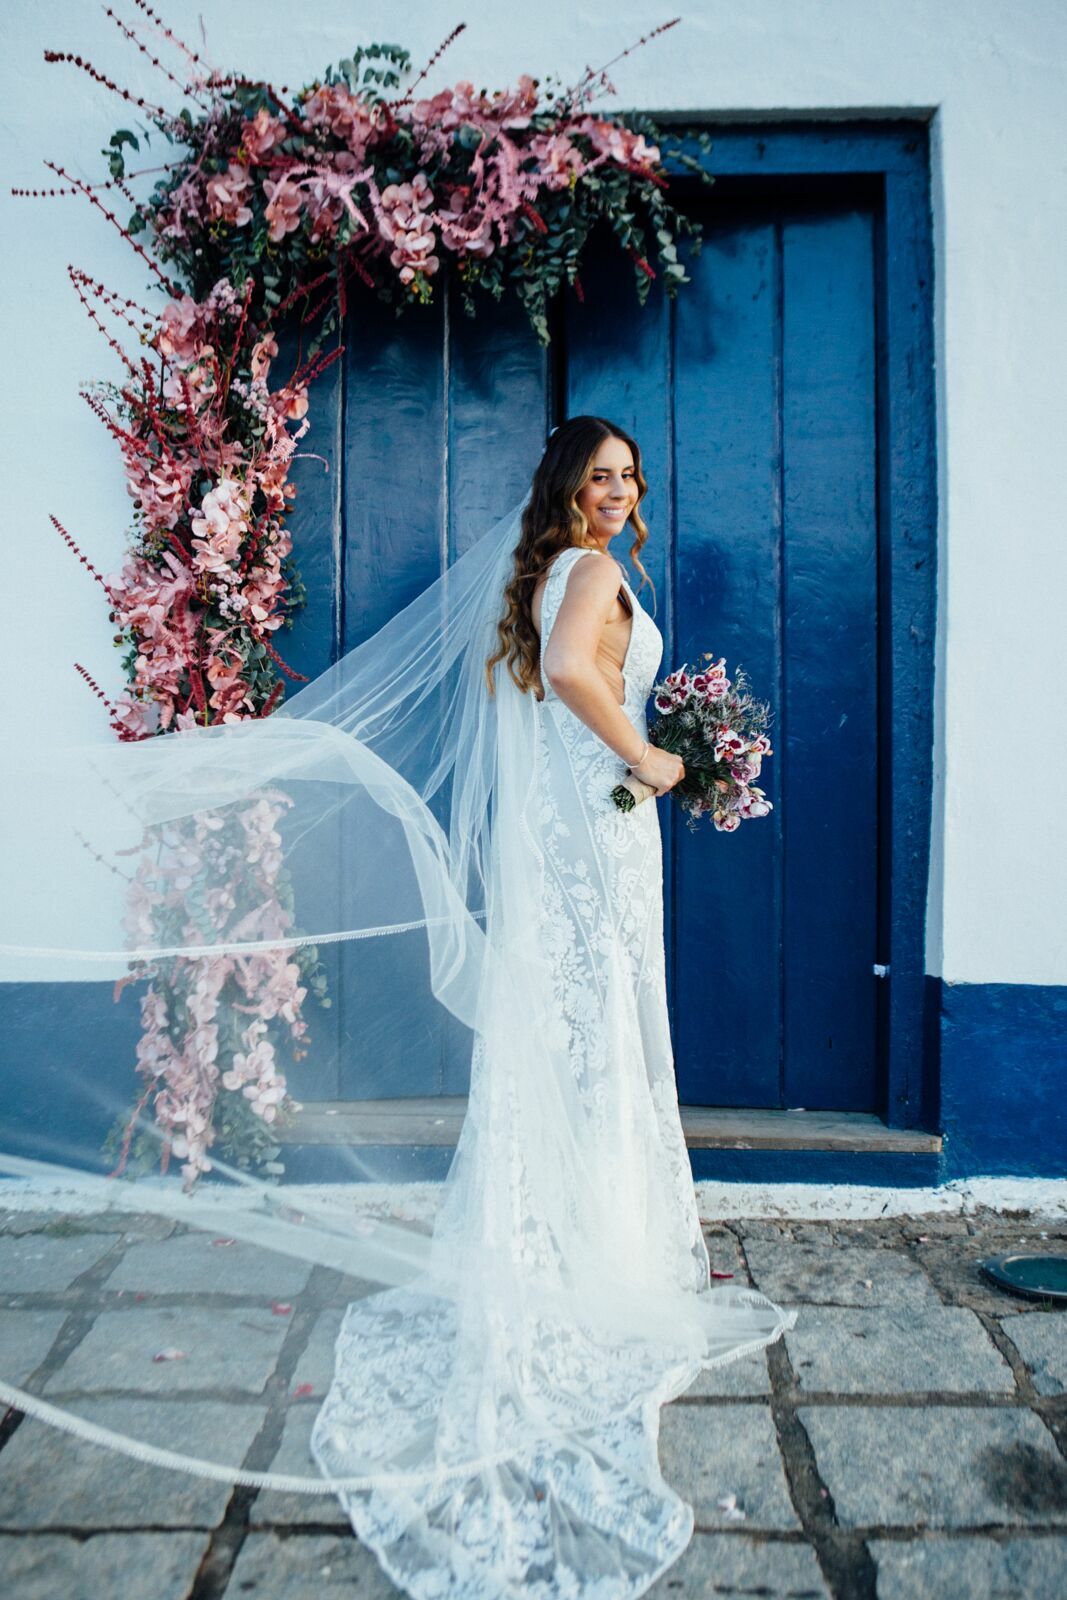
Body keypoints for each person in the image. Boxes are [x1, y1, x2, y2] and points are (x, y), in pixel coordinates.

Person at [0, 416, 794, 1600]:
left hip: (580, 843)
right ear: (566, 491)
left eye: (628, 476)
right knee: (590, 1046)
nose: (618, 491)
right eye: (598, 476)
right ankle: (588, 1250)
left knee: (577, 1048)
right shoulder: (584, 573)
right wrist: (657, 757)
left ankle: (578, 1229)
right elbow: (576, 675)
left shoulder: (570, 569)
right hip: (586, 845)